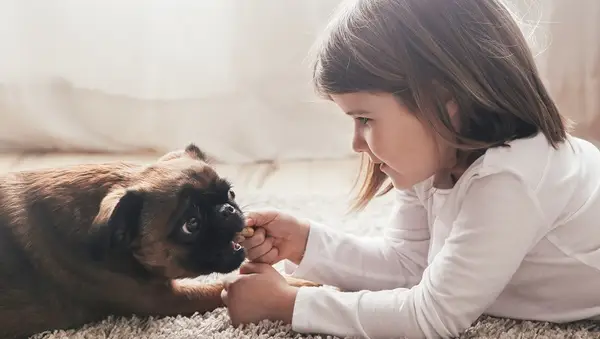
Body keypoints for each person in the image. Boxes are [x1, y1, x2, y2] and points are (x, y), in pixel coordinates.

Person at [219, 0, 600, 338]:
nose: (356, 143)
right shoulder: (437, 155)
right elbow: (409, 264)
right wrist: (306, 243)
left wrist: (289, 305)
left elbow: (432, 315)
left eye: (365, 118)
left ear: (442, 100)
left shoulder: (511, 179)